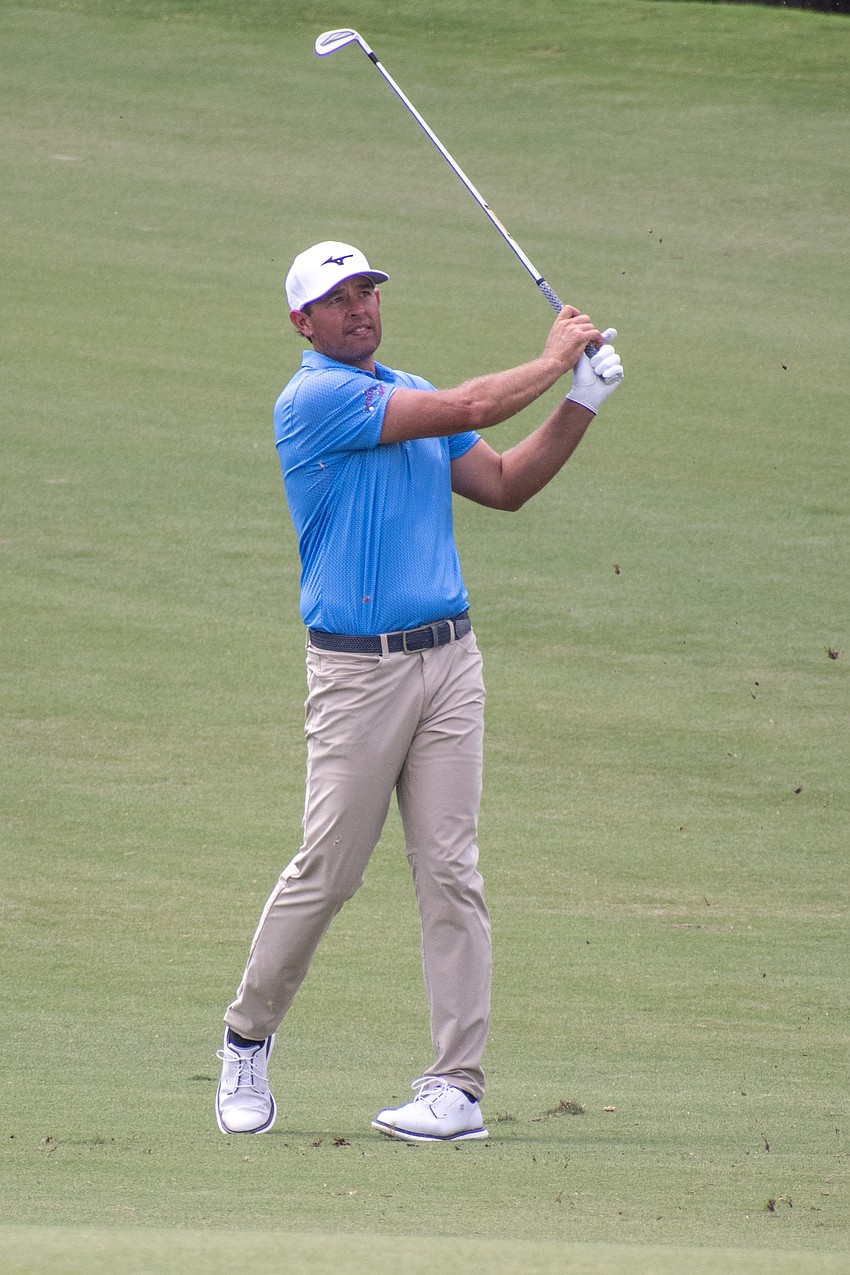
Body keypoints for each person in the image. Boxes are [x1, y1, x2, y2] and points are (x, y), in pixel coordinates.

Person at [215, 240, 623, 1143]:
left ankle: (456, 1088)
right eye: (338, 297)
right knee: (330, 869)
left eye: (367, 290)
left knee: (451, 871)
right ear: (302, 322)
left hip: (450, 661)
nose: (359, 306)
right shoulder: (315, 400)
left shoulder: (410, 390)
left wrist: (581, 401)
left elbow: (505, 484)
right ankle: (246, 1036)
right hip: (357, 673)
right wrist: (555, 358)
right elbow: (474, 406)